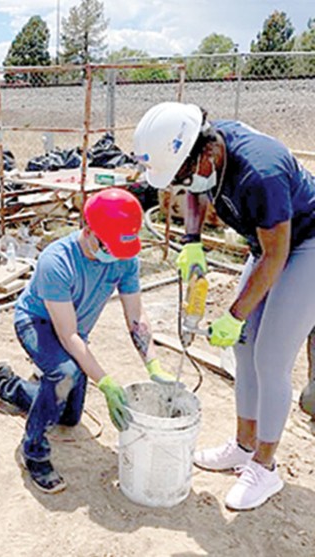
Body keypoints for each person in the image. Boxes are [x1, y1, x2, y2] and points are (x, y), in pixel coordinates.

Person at [133, 101, 315, 510]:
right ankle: (243, 445)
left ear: (208, 154)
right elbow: (196, 189)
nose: (179, 186)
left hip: (305, 245)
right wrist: (191, 241)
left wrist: (234, 314)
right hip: (269, 244)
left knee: (271, 358)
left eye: (181, 174)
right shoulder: (205, 153)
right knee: (245, 347)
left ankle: (265, 469)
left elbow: (276, 255)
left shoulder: (260, 173)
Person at [0, 188, 177, 494]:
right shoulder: (56, 261)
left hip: (74, 330)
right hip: (37, 322)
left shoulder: (124, 256)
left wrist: (153, 363)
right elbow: (67, 336)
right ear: (88, 231)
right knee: (64, 374)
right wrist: (106, 382)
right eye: (108, 246)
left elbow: (135, 315)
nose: (115, 256)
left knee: (68, 416)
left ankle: (6, 384)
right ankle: (34, 452)